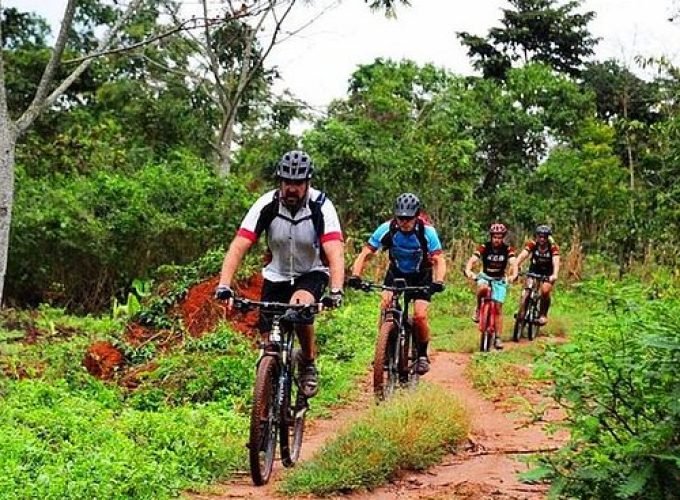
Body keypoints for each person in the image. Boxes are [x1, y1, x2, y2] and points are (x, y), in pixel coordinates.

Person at [214, 150, 344, 398]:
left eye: (298, 183)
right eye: (287, 182)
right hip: (276, 275)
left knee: (300, 307)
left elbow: (335, 251)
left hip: (311, 272)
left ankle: (307, 362)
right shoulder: (267, 204)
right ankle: (269, 393)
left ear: (308, 183)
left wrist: (336, 290)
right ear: (280, 181)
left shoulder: (321, 206)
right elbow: (239, 245)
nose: (292, 189)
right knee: (268, 339)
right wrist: (224, 285)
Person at [347, 193, 446, 375]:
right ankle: (384, 349)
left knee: (420, 316)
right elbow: (365, 253)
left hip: (421, 275)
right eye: (400, 218)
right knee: (386, 305)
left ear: (417, 216)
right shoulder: (387, 229)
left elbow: (439, 259)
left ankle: (422, 355)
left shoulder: (427, 232)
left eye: (408, 218)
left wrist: (438, 281)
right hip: (396, 273)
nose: (404, 222)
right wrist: (355, 275)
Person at [464, 222, 518, 350]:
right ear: (491, 237)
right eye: (495, 237)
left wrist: (514, 274)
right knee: (482, 288)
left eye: (499, 237)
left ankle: (498, 338)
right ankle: (478, 309)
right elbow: (473, 259)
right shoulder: (485, 247)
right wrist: (468, 270)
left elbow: (513, 262)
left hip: (499, 279)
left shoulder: (507, 249)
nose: (497, 240)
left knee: (498, 308)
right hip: (485, 277)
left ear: (503, 238)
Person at [515, 224, 560, 325]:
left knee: (545, 291)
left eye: (544, 237)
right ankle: (521, 310)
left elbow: (556, 261)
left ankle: (543, 314)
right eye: (540, 236)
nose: (542, 239)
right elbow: (522, 255)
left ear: (548, 237)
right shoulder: (533, 244)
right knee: (527, 288)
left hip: (548, 273)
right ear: (537, 236)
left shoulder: (553, 247)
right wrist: (516, 265)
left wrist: (555, 274)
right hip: (534, 270)